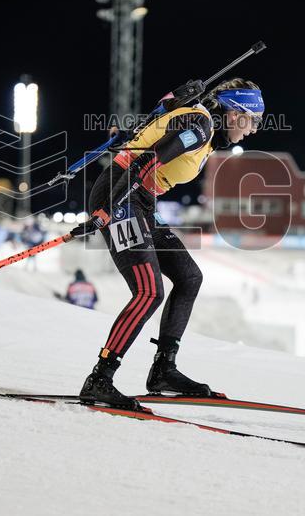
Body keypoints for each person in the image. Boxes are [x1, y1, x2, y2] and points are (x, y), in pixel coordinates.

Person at [69, 78, 264, 408]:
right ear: (235, 115)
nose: (253, 130)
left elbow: (164, 111)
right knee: (149, 291)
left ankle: (163, 369)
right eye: (253, 121)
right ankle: (100, 378)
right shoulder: (200, 126)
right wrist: (111, 208)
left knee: (189, 277)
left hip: (139, 201)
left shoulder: (204, 128)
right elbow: (147, 161)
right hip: (122, 193)